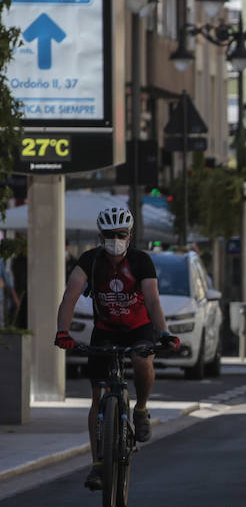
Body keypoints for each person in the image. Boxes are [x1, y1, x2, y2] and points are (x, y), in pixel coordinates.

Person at [53, 206, 178, 490]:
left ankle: (142, 409)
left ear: (130, 236)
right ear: (100, 236)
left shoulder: (141, 261)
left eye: (120, 234)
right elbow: (70, 295)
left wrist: (164, 333)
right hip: (106, 331)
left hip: (139, 329)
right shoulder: (90, 261)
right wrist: (63, 331)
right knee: (97, 395)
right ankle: (98, 463)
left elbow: (153, 300)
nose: (115, 239)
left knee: (142, 359)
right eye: (109, 235)